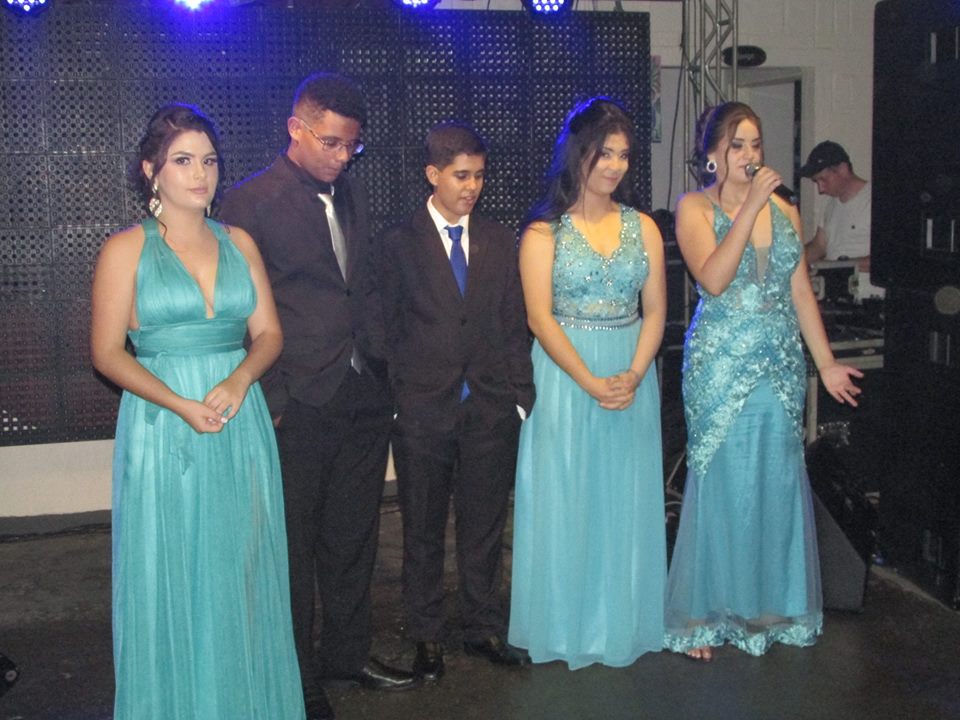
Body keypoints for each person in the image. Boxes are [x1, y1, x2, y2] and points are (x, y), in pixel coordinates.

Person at [91, 103, 304, 719]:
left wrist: (240, 379)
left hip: (240, 420)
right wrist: (179, 403)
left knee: (242, 569)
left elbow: (269, 334)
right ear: (151, 171)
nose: (200, 174)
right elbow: (107, 353)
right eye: (183, 160)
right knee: (173, 568)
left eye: (208, 161)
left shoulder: (240, 242)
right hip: (163, 426)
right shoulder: (125, 250)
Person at [219, 74, 418, 720]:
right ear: (295, 128)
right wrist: (272, 398)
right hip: (297, 398)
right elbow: (238, 311)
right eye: (330, 143)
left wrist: (384, 365)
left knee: (353, 536)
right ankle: (298, 675)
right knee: (293, 545)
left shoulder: (353, 191)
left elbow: (363, 287)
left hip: (362, 391)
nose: (340, 156)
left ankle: (347, 655)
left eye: (351, 146)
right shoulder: (249, 203)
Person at [664, 102, 864, 661]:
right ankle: (704, 613)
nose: (749, 155)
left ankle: (767, 605)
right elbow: (715, 279)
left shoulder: (786, 212)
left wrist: (825, 362)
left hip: (778, 363)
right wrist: (750, 206)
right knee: (723, 483)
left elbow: (799, 291)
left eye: (755, 144)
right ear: (712, 154)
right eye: (737, 145)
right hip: (721, 363)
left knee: (774, 482)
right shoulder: (694, 208)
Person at [508, 97, 668, 669]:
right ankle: (566, 624)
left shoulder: (644, 227)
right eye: (605, 153)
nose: (615, 166)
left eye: (624, 155)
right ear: (579, 154)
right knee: (567, 497)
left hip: (630, 371)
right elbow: (539, 318)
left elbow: (656, 310)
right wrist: (592, 382)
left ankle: (623, 620)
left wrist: (634, 373)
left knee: (625, 498)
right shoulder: (543, 232)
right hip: (565, 375)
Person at [379, 123, 536, 682]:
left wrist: (520, 396)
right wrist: (398, 400)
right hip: (423, 410)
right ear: (433, 174)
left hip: (490, 407)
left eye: (479, 176)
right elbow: (384, 328)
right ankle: (426, 634)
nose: (472, 187)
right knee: (422, 530)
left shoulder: (497, 238)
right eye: (461, 176)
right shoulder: (399, 243)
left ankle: (482, 625)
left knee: (485, 527)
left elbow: (513, 321)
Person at [800, 140, 871, 267]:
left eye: (823, 179)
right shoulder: (829, 202)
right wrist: (791, 261)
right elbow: (819, 246)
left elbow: (888, 258)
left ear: (843, 169)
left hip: (862, 280)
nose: (821, 189)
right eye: (816, 182)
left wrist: (836, 266)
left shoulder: (872, 199)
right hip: (831, 279)